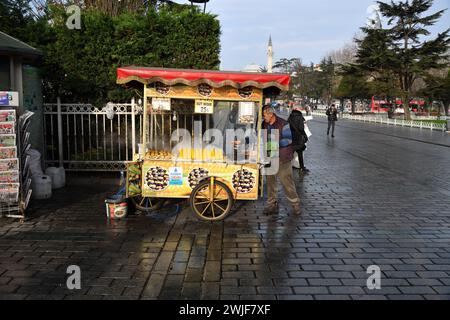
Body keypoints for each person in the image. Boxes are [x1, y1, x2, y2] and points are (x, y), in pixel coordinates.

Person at [262, 105, 301, 215]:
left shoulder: (283, 123)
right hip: (269, 157)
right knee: (270, 183)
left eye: (264, 115)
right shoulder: (264, 124)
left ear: (271, 114)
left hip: (282, 158)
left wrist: (273, 144)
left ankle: (295, 203)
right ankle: (272, 204)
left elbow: (288, 140)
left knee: (287, 182)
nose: (263, 117)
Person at [288, 108, 309, 174]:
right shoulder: (300, 117)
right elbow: (301, 128)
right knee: (300, 153)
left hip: (291, 137)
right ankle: (302, 168)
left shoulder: (290, 117)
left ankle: (285, 167)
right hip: (298, 137)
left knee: (290, 153)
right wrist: (304, 135)